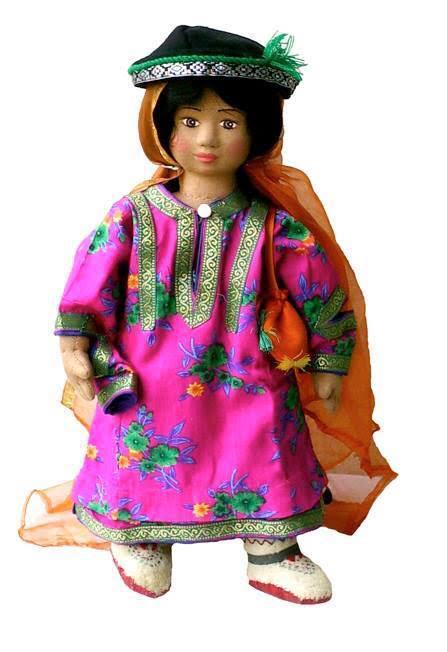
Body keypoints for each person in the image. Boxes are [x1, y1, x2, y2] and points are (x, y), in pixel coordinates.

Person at [18, 25, 397, 605]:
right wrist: (75, 345)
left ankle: (271, 547)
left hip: (247, 371)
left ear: (258, 132)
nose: (208, 139)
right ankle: (139, 533)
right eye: (190, 120)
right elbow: (90, 281)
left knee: (263, 438)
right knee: (140, 443)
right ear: (161, 127)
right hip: (147, 374)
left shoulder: (273, 225)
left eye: (229, 122)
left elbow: (319, 288)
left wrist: (328, 359)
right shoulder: (133, 214)